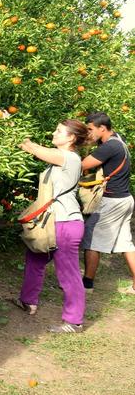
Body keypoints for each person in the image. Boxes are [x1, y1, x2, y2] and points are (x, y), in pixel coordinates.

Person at [14, 120, 88, 333]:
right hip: (51, 222)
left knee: (68, 272)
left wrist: (18, 135)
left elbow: (36, 150)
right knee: (35, 257)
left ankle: (74, 321)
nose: (53, 133)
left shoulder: (70, 158)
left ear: (71, 138)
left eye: (59, 131)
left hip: (65, 222)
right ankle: (28, 301)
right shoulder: (59, 158)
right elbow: (34, 149)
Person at [80, 112, 135, 294]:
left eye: (90, 129)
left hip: (111, 202)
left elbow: (83, 165)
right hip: (125, 199)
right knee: (125, 243)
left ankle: (86, 285)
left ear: (102, 128)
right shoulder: (118, 139)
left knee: (92, 240)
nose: (88, 133)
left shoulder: (109, 147)